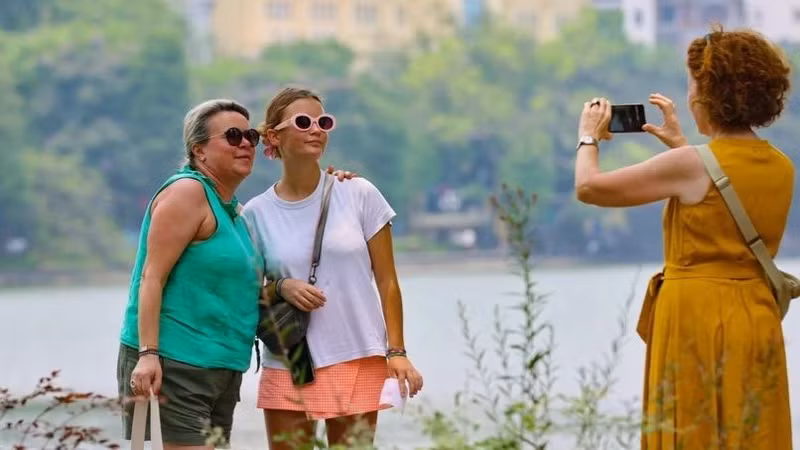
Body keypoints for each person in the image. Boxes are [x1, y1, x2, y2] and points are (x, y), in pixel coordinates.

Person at [573, 26, 792, 449]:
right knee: (752, 430)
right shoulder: (781, 164)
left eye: (693, 84)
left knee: (691, 428)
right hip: (755, 314)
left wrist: (588, 136)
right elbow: (721, 191)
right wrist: (679, 145)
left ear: (709, 94)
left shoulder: (690, 164)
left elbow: (590, 187)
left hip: (697, 317)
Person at [242, 87, 424, 449]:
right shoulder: (256, 214)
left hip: (355, 351)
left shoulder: (358, 193)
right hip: (291, 358)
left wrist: (397, 352)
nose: (317, 130)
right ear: (275, 136)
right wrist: (282, 288)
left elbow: (388, 281)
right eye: (304, 122)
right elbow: (245, 293)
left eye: (323, 122)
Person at [117, 99, 264, 449]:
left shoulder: (233, 213)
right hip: (176, 362)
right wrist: (148, 354)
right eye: (232, 135)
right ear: (199, 150)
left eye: (251, 135)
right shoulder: (187, 192)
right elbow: (151, 277)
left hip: (221, 367)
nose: (245, 143)